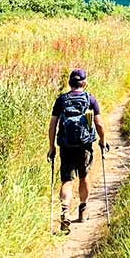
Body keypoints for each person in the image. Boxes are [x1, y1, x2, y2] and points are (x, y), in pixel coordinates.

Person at [48, 68, 108, 231]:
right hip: (85, 146)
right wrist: (103, 141)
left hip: (66, 146)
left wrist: (51, 146)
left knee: (67, 179)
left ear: (70, 83)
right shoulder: (90, 100)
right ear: (84, 83)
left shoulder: (61, 100)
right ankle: (82, 211)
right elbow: (99, 124)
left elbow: (53, 124)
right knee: (84, 176)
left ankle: (65, 211)